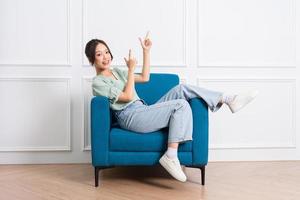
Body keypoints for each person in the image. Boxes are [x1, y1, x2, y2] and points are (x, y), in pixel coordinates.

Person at [85, 32, 258, 182]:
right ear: (92, 59)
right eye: (99, 54)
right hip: (129, 116)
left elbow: (145, 77)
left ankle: (227, 99)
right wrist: (130, 71)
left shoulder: (117, 71)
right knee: (181, 105)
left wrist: (146, 52)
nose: (106, 56)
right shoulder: (98, 83)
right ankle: (171, 155)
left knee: (181, 88)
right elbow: (127, 96)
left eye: (106, 51)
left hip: (142, 109)